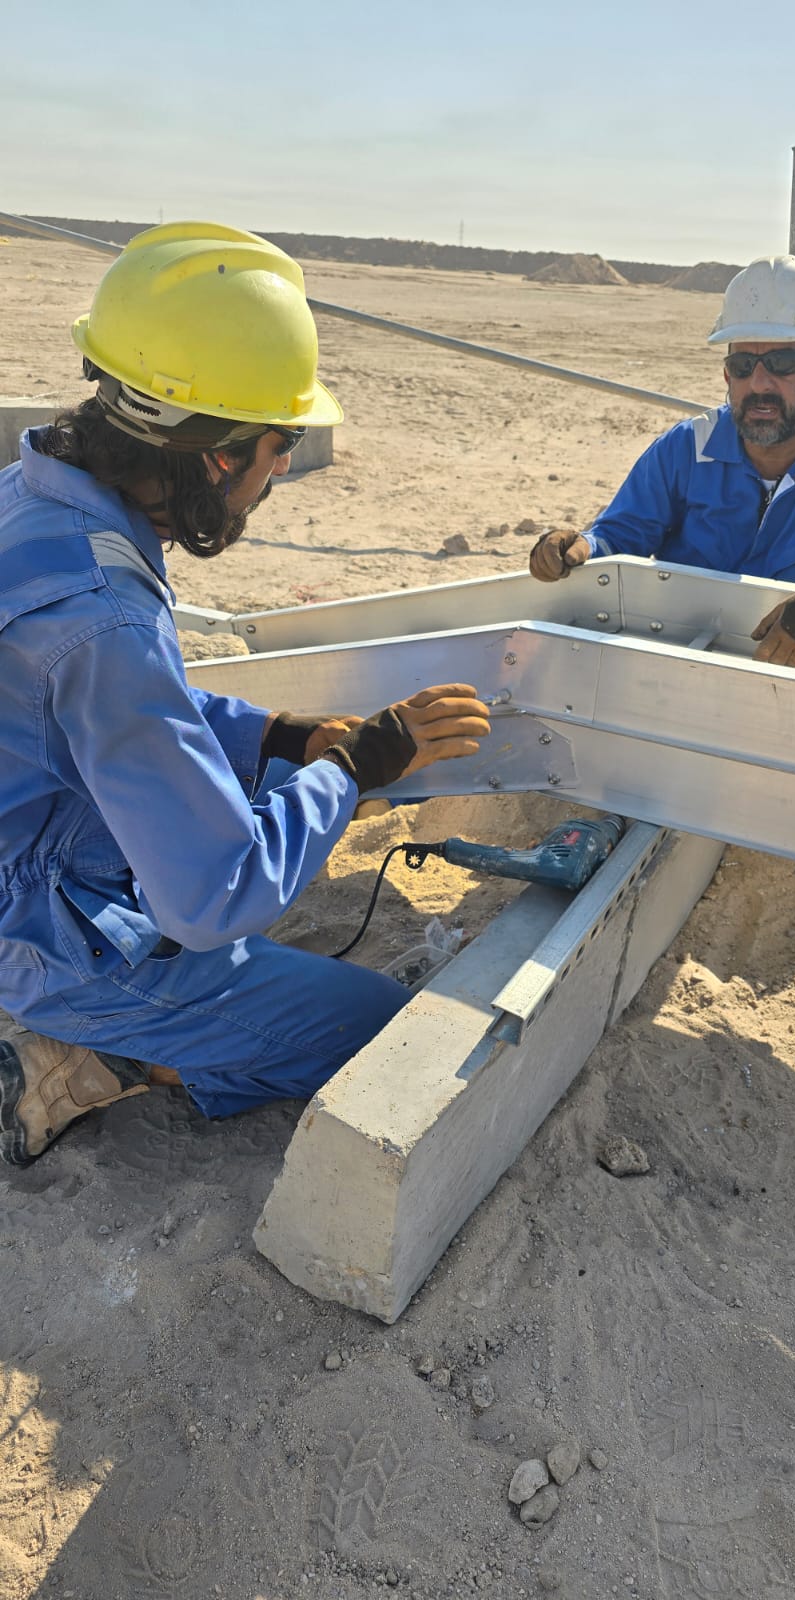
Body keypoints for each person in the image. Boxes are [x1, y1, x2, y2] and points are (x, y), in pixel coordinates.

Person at [0, 221, 490, 1167]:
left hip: (33, 836)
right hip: (38, 926)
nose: (276, 478)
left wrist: (279, 736)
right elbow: (214, 898)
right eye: (280, 451)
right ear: (222, 454)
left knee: (265, 795)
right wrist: (352, 769)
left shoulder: (34, 504)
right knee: (389, 1038)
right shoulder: (104, 616)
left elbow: (123, 716)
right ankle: (91, 1046)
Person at [529, 255, 795, 668]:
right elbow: (622, 533)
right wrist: (580, 546)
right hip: (677, 659)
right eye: (743, 366)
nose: (759, 384)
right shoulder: (686, 447)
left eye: (783, 363)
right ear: (727, 377)